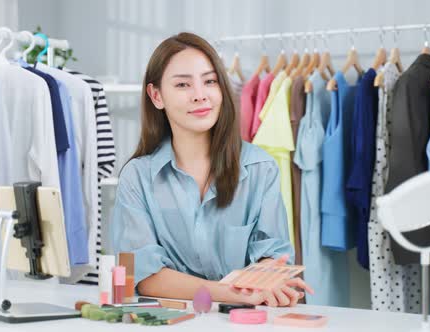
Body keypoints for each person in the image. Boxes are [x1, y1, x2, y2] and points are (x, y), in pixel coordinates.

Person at [112, 32, 313, 307]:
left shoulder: (260, 168)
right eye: (183, 85)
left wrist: (269, 276)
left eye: (210, 81)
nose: (200, 95)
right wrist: (232, 292)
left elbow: (273, 256)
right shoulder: (137, 177)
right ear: (156, 96)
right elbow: (144, 275)